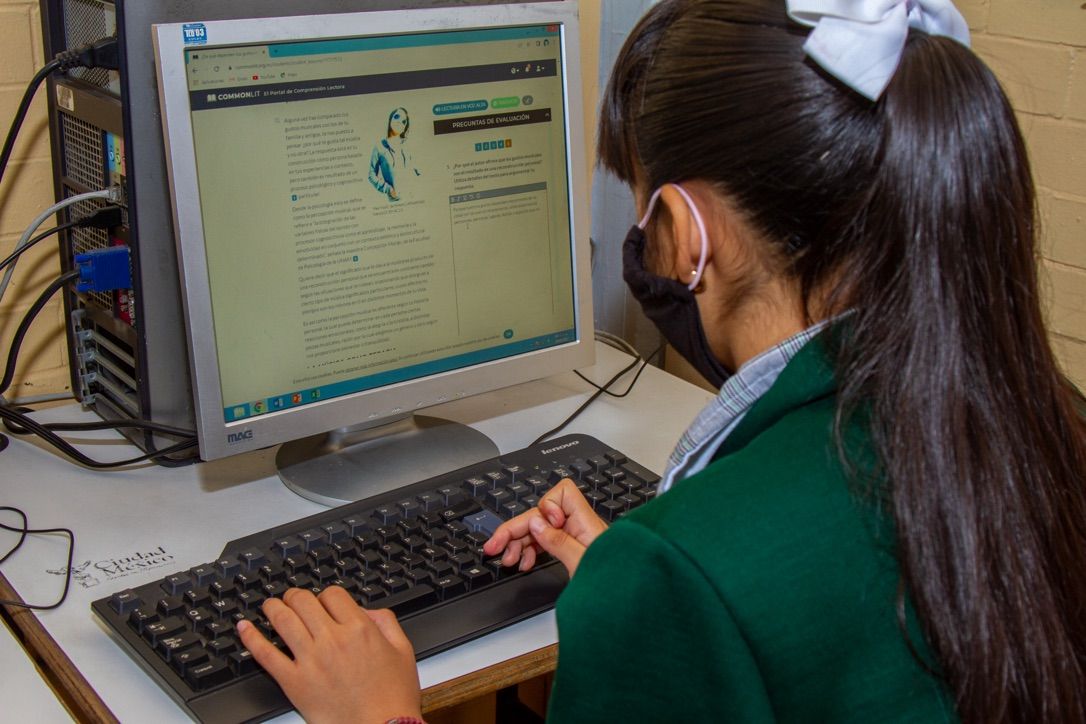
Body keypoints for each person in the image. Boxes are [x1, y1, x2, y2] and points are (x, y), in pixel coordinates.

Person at [238, 1, 1086, 722]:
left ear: (684, 230)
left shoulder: (679, 571)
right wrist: (650, 587)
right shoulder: (1052, 422)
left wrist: (379, 713)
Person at [368, 107, 420, 202]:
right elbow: (371, 174)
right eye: (396, 117)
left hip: (414, 198)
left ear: (405, 127)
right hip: (396, 202)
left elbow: (417, 170)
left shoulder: (408, 146)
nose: (400, 121)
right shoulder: (380, 147)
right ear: (390, 119)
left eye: (404, 121)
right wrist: (388, 189)